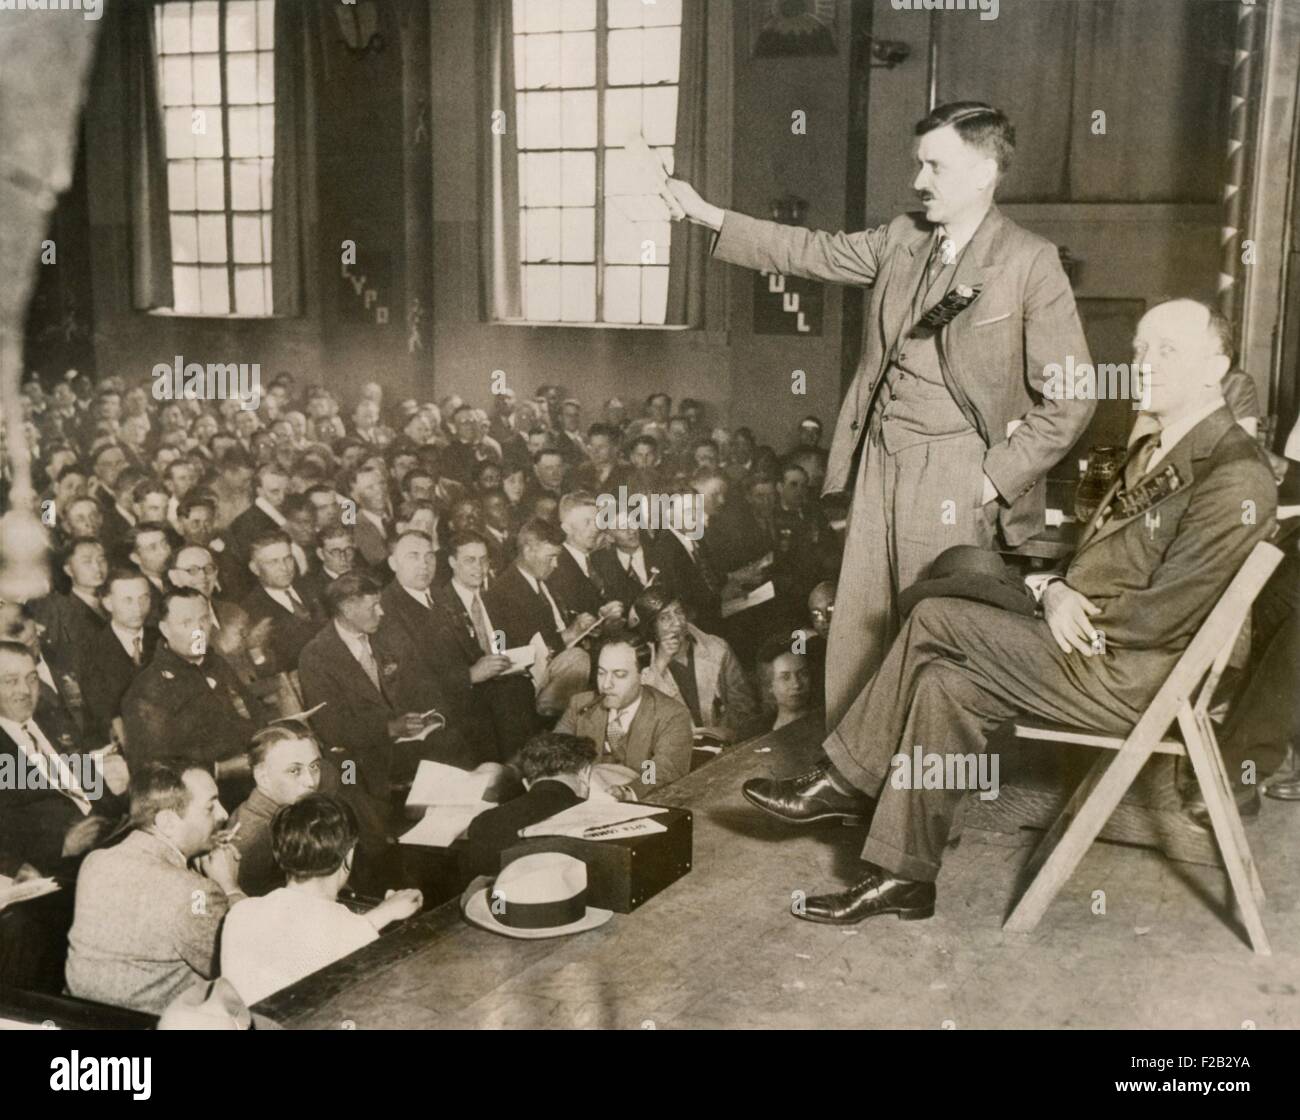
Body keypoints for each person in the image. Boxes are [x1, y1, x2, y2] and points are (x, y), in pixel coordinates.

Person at [740, 299, 1277, 924]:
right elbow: (1107, 566)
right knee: (945, 682)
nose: (1141, 364)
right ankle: (901, 876)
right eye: (1138, 349)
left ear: (1217, 366)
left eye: (1166, 351)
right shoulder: (1163, 445)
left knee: (937, 616)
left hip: (1130, 672)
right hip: (1097, 648)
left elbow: (1165, 616)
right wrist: (1052, 591)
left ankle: (845, 777)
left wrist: (1060, 602)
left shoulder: (1235, 475)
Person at [662, 101, 1095, 727]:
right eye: (918, 164)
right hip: (881, 462)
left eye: (934, 167)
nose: (918, 182)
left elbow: (1074, 394)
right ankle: (848, 776)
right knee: (862, 630)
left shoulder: (1030, 261)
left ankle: (917, 792)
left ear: (984, 172)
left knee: (932, 634)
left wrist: (990, 478)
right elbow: (809, 250)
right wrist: (705, 212)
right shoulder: (902, 239)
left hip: (954, 470)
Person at [65, 760, 245, 1014]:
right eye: (210, 807)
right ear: (168, 823)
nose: (224, 814)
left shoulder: (95, 862)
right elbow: (248, 964)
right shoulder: (194, 892)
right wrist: (229, 887)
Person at [221, 794, 422, 1007]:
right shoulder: (349, 934)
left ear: (280, 852)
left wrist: (383, 913)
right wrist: (386, 912)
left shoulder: (239, 914)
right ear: (349, 856)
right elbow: (338, 939)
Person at [555, 639, 692, 801]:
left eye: (619, 675)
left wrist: (627, 792)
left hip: (641, 803)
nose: (606, 685)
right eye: (601, 673)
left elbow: (662, 770)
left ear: (644, 676)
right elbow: (553, 753)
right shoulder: (580, 705)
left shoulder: (671, 715)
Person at [460, 732, 597, 880]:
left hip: (500, 902)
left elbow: (489, 894)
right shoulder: (599, 819)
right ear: (585, 772)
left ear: (526, 782)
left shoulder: (484, 823)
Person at [634, 585, 762, 742]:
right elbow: (643, 723)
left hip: (727, 744)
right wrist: (659, 664)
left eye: (679, 612)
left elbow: (744, 706)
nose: (677, 623)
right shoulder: (640, 668)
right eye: (665, 617)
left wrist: (722, 734)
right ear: (653, 629)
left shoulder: (718, 649)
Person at [227, 726, 324, 896]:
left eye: (314, 766)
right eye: (294, 771)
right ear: (263, 778)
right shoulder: (255, 837)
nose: (310, 782)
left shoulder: (282, 811)